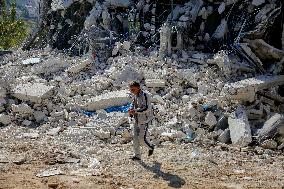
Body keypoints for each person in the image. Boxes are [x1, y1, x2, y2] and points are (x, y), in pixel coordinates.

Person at [128, 81, 154, 161]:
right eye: (131, 90)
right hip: (137, 120)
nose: (132, 92)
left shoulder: (145, 95)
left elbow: (146, 108)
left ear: (138, 88)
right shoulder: (135, 95)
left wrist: (135, 111)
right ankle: (137, 155)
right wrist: (131, 110)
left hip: (144, 120)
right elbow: (132, 104)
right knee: (135, 139)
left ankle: (151, 147)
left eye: (133, 90)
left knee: (142, 139)